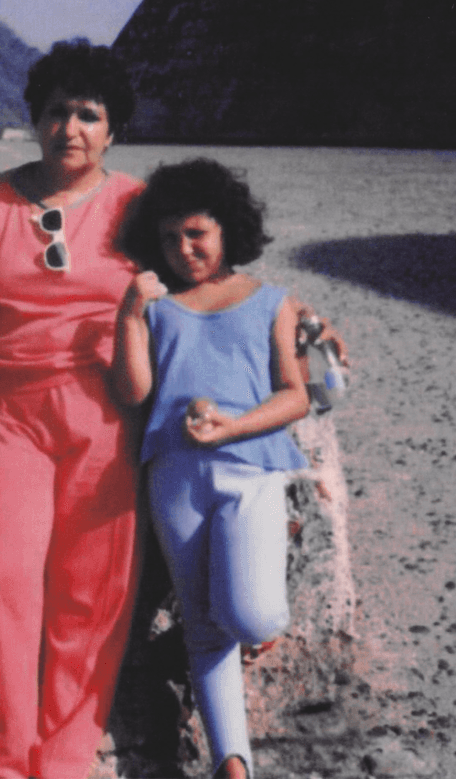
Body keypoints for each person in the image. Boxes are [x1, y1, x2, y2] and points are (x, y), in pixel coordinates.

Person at [0, 40, 151, 777]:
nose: (71, 127)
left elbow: (206, 286)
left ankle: (67, 756)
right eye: (58, 111)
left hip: (104, 417)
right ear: (35, 119)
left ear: (112, 130)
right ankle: (3, 758)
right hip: (5, 415)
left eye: (89, 115)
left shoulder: (137, 208)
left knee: (90, 596)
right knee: (3, 585)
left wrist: (296, 325)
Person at [111, 158, 312, 779]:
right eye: (170, 238)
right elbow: (134, 392)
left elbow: (295, 394)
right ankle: (234, 761)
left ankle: (277, 542)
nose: (183, 249)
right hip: (174, 478)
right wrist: (127, 317)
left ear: (228, 230)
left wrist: (234, 425)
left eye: (197, 233)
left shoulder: (270, 301)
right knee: (202, 626)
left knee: (253, 616)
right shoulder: (157, 306)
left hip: (251, 471)